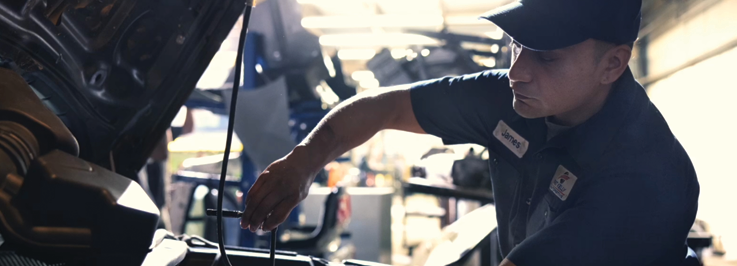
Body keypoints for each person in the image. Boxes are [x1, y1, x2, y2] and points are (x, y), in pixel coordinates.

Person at [240, 0, 700, 265]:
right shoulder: (511, 97)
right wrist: (301, 163)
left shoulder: (643, 178)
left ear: (613, 64)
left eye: (546, 57)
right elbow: (385, 106)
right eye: (516, 46)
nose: (516, 71)